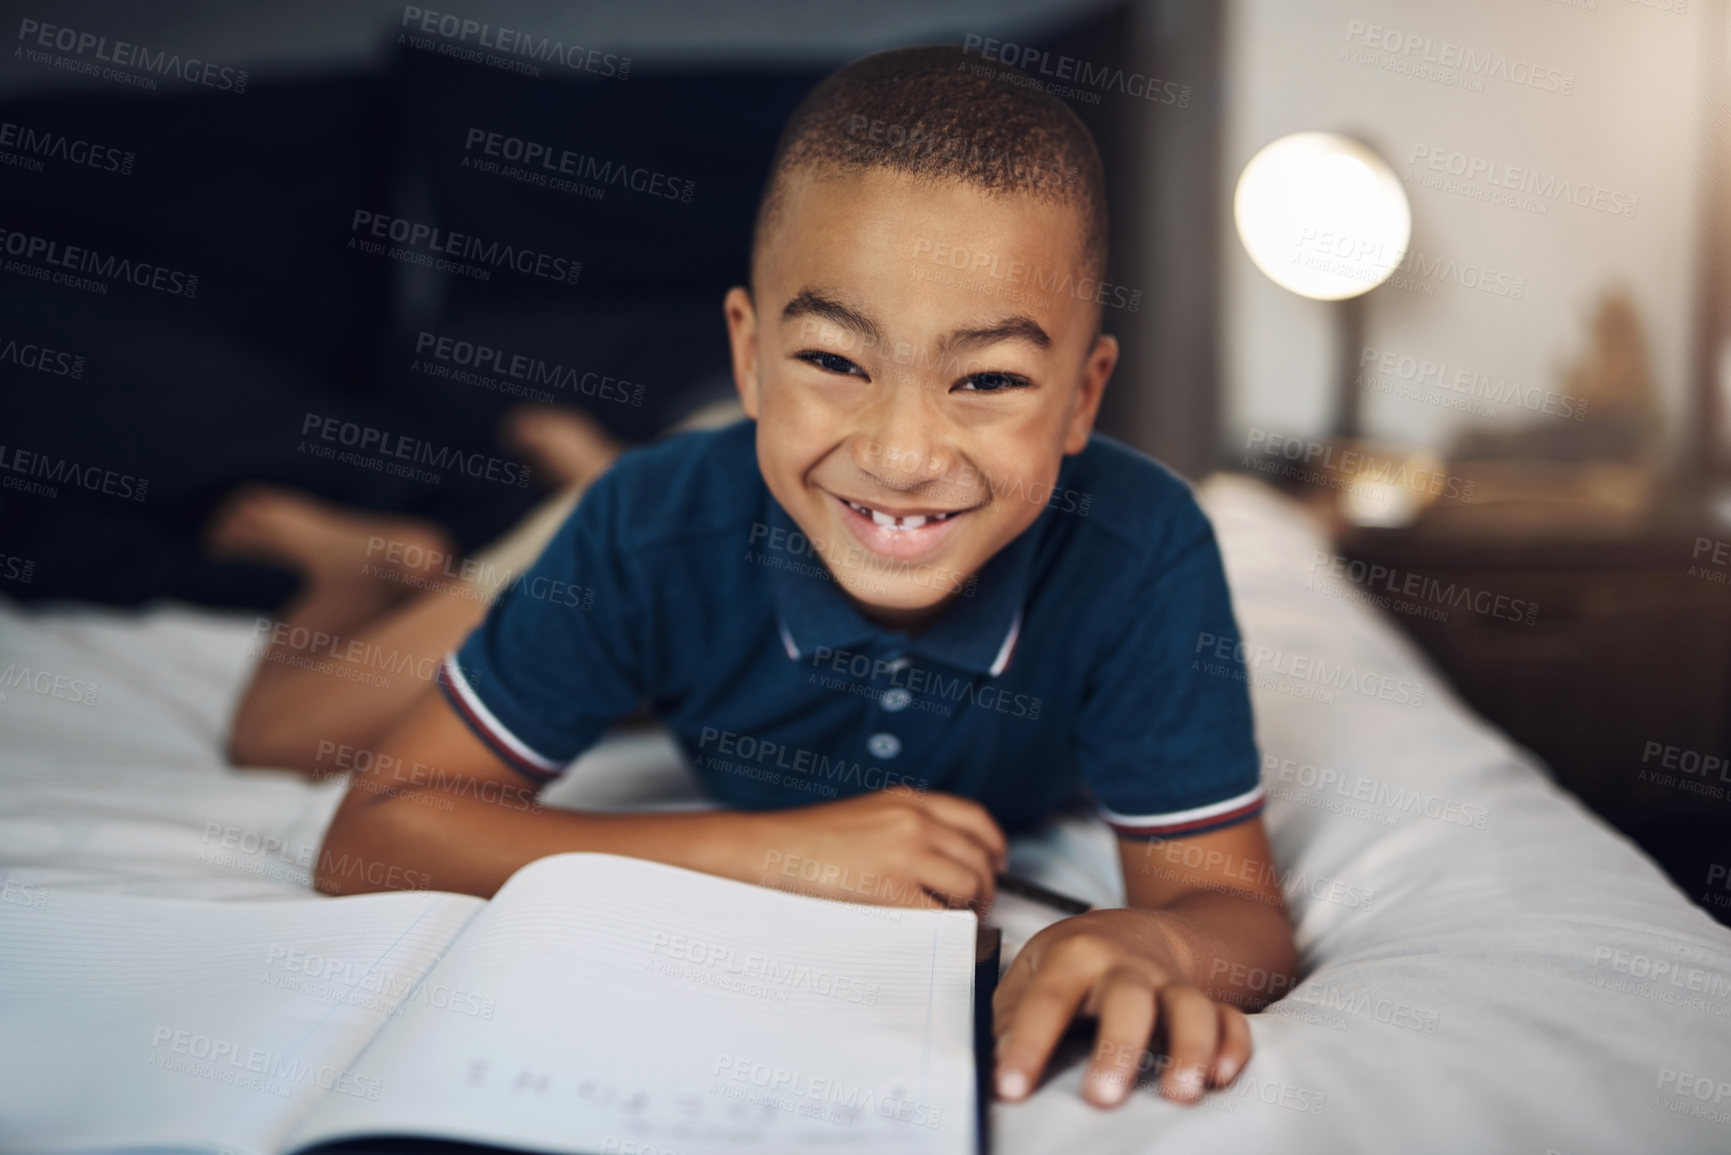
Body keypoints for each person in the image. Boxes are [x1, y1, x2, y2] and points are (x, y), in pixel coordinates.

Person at [224, 45, 1298, 1112]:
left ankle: (578, 457)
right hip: (697, 511)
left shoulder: (1143, 548)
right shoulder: (647, 528)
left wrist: (1141, 937)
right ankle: (353, 560)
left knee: (683, 589)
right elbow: (371, 838)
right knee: (284, 730)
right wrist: (775, 855)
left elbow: (1232, 915)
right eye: (835, 359)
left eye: (990, 380)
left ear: (1082, 398)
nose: (906, 450)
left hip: (755, 529)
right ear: (748, 354)